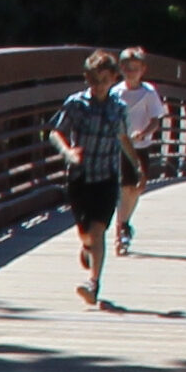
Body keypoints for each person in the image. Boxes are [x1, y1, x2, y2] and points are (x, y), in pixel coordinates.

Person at [50, 50, 132, 309]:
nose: (99, 86)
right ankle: (88, 249)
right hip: (80, 177)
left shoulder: (118, 108)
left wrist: (136, 166)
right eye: (94, 80)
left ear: (113, 79)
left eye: (105, 80)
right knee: (87, 234)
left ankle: (93, 284)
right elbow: (55, 132)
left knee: (98, 231)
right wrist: (66, 151)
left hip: (107, 177)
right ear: (87, 78)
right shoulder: (76, 104)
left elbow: (122, 138)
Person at [111, 48, 165, 255]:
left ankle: (124, 223)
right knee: (125, 187)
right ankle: (121, 231)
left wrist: (144, 133)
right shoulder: (116, 93)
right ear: (121, 69)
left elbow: (155, 120)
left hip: (142, 146)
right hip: (122, 146)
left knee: (137, 188)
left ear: (143, 69)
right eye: (127, 68)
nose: (131, 72)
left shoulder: (148, 93)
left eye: (135, 68)